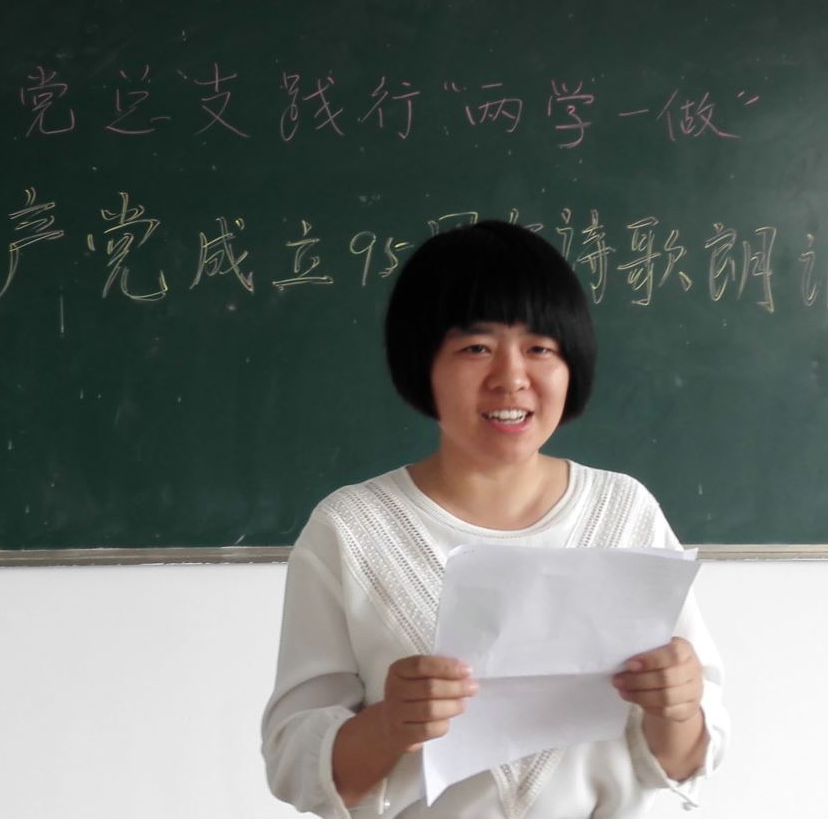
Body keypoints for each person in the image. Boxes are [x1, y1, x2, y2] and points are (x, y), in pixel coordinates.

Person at [260, 221, 728, 818]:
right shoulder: (352, 530)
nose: (511, 377)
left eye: (540, 348)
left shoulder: (623, 511)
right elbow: (294, 764)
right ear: (423, 363)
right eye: (476, 348)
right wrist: (390, 724)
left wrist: (679, 706)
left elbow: (684, 761)